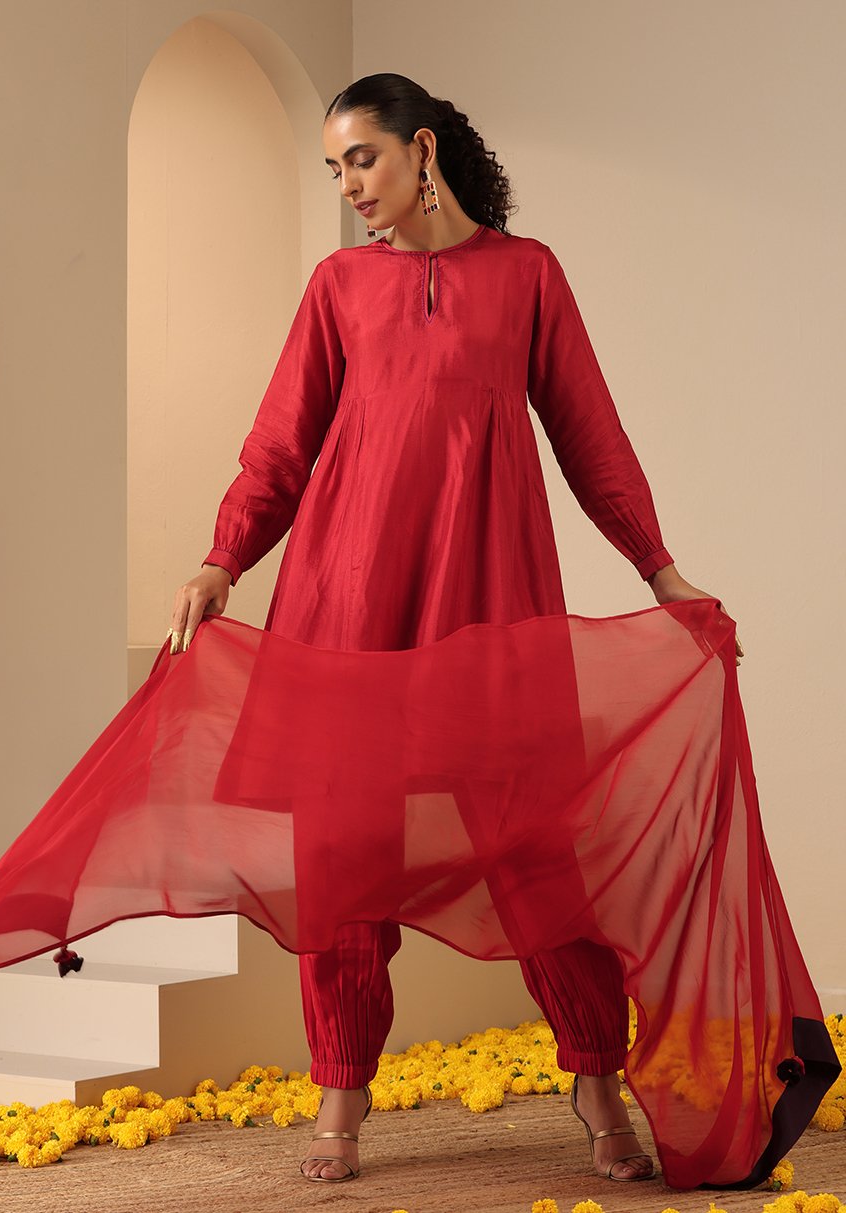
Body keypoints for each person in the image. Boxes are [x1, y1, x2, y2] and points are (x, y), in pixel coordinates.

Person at [168, 73, 745, 1184]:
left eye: (362, 159)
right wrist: (222, 554)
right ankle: (341, 1088)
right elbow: (280, 446)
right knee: (342, 845)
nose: (349, 186)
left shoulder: (528, 276)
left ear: (422, 149)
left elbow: (590, 436)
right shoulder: (339, 285)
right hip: (348, 595)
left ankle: (595, 1073)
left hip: (488, 593)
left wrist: (661, 570)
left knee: (532, 837)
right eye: (334, 168)